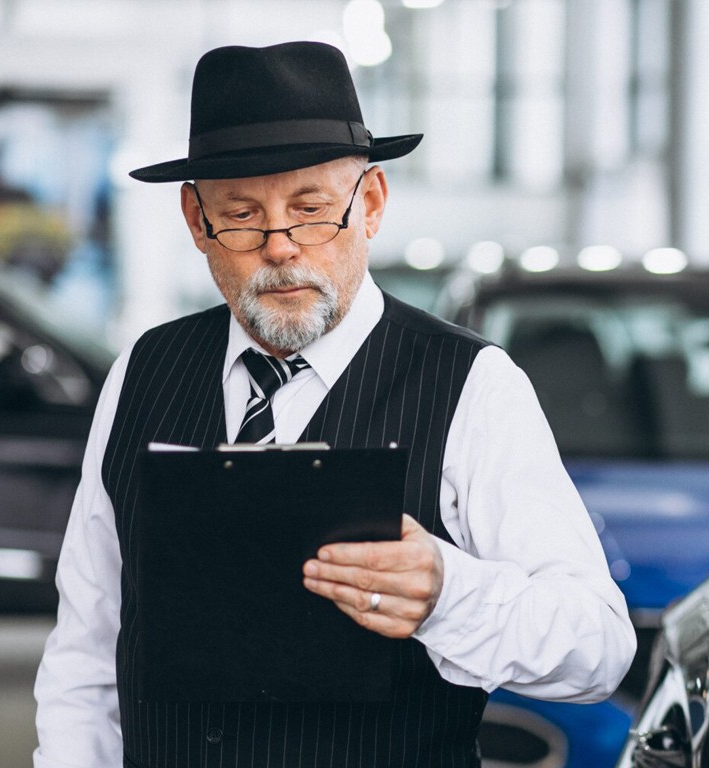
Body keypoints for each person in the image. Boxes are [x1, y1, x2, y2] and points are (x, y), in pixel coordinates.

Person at [34, 41, 636, 768]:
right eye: (243, 216)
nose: (281, 248)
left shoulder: (473, 385)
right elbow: (88, 649)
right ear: (196, 221)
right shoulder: (144, 372)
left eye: (311, 211)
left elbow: (599, 648)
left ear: (372, 203)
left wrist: (451, 595)